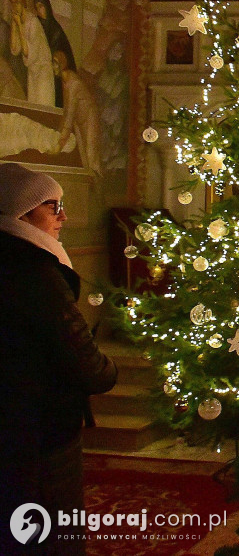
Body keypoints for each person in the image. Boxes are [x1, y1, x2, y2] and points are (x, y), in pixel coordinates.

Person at [0, 163, 117, 555]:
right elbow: (84, 362)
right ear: (21, 212)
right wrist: (108, 370)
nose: (63, 217)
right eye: (53, 207)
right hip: (40, 430)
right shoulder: (35, 270)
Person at [54, 50, 102, 174]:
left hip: (89, 119)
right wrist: (57, 134)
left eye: (55, 63)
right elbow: (66, 111)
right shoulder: (65, 81)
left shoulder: (73, 84)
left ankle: (98, 183)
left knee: (91, 158)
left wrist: (59, 144)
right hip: (80, 119)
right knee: (84, 157)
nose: (53, 67)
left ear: (62, 64)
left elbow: (69, 116)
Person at [8, 0, 55, 107]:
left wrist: (19, 25)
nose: (14, 6)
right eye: (12, 2)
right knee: (33, 108)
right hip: (32, 72)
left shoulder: (33, 22)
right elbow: (14, 49)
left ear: (23, 3)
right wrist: (14, 24)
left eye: (17, 2)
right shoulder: (19, 21)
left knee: (43, 107)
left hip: (43, 72)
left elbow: (28, 52)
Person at [34, 0, 76, 109]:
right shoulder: (36, 24)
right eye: (36, 8)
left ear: (47, 6)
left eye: (41, 6)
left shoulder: (56, 29)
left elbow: (58, 53)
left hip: (54, 71)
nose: (39, 11)